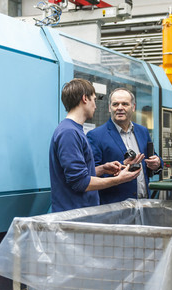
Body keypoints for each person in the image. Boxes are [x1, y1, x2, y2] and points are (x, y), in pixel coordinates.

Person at [49, 79, 141, 212]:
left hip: (81, 213)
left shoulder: (75, 130)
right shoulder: (68, 132)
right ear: (84, 99)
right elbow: (80, 183)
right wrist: (119, 180)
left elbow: (78, 175)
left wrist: (102, 169)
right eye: (94, 100)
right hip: (74, 216)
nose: (95, 106)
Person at [87, 88, 163, 204]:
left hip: (144, 202)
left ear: (133, 107)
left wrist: (157, 163)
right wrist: (121, 167)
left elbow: (153, 157)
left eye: (125, 104)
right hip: (115, 206)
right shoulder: (96, 136)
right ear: (109, 108)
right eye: (115, 104)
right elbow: (92, 174)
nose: (120, 108)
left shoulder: (142, 132)